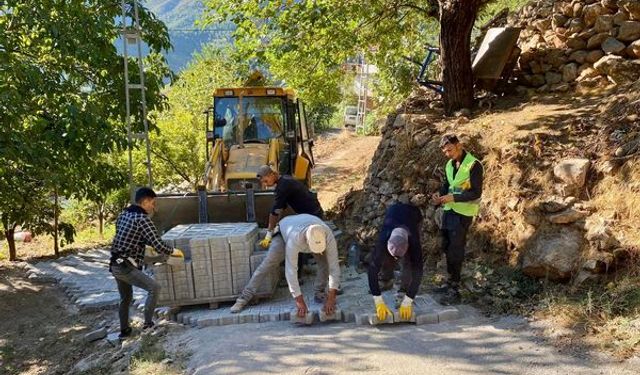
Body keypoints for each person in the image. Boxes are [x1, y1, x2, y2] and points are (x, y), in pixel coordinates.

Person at [230, 214, 340, 317]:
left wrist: (331, 297)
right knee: (269, 263)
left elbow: (334, 267)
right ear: (307, 241)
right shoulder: (295, 238)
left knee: (324, 263)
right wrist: (299, 301)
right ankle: (244, 298)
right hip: (284, 232)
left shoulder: (327, 235)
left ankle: (319, 292)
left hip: (306, 228)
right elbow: (291, 271)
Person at [109, 187, 184, 338]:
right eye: (152, 203)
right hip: (125, 266)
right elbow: (157, 244)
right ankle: (148, 324)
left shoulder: (124, 214)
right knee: (154, 288)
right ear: (144, 201)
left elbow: (129, 240)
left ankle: (124, 331)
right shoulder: (142, 219)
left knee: (126, 298)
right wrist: (173, 252)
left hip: (115, 263)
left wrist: (154, 256)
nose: (153, 207)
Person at [431, 134, 483, 305]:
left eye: (450, 150)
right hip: (449, 210)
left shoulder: (474, 165)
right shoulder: (449, 164)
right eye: (445, 151)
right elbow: (448, 184)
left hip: (463, 213)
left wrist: (454, 198)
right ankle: (450, 282)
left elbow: (476, 192)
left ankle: (455, 289)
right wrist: (440, 194)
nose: (447, 154)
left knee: (456, 250)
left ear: (459, 145)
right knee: (446, 246)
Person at [256, 164, 323, 280]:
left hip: (312, 216)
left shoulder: (283, 186)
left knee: (315, 245)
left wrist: (269, 234)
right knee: (302, 242)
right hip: (312, 212)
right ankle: (300, 274)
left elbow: (275, 212)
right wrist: (278, 225)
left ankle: (330, 280)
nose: (265, 185)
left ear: (272, 174)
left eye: (266, 181)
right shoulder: (285, 180)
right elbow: (281, 208)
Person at [368, 203, 423, 321]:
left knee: (409, 261)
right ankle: (386, 280)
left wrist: (409, 299)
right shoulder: (383, 238)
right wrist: (378, 300)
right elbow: (372, 269)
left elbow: (418, 271)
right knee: (384, 257)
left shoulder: (413, 241)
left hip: (413, 215)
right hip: (393, 213)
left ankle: (403, 290)